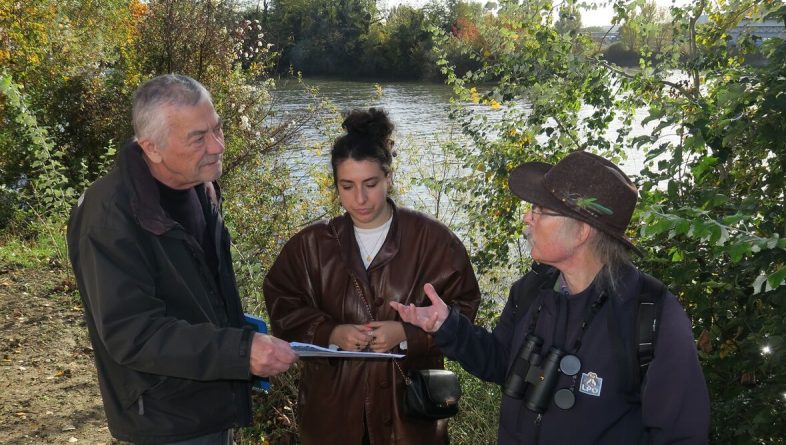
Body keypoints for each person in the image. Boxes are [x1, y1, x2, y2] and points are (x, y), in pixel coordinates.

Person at [391, 151, 711, 444]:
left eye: (540, 211)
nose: (527, 219)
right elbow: (501, 363)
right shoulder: (530, 291)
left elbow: (681, 435)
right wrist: (448, 325)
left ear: (582, 231)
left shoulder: (650, 313)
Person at [67, 74, 298, 445]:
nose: (218, 145)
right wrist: (240, 352)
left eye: (217, 128)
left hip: (210, 399)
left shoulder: (199, 187)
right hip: (164, 419)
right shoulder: (110, 216)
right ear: (152, 148)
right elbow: (132, 333)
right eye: (198, 138)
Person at [262, 108, 481, 444]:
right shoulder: (310, 245)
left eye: (371, 184)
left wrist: (407, 334)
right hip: (332, 415)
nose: (360, 198)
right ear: (335, 184)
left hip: (409, 417)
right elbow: (282, 303)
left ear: (389, 178)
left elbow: (464, 309)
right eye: (347, 186)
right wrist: (329, 332)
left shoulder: (435, 241)